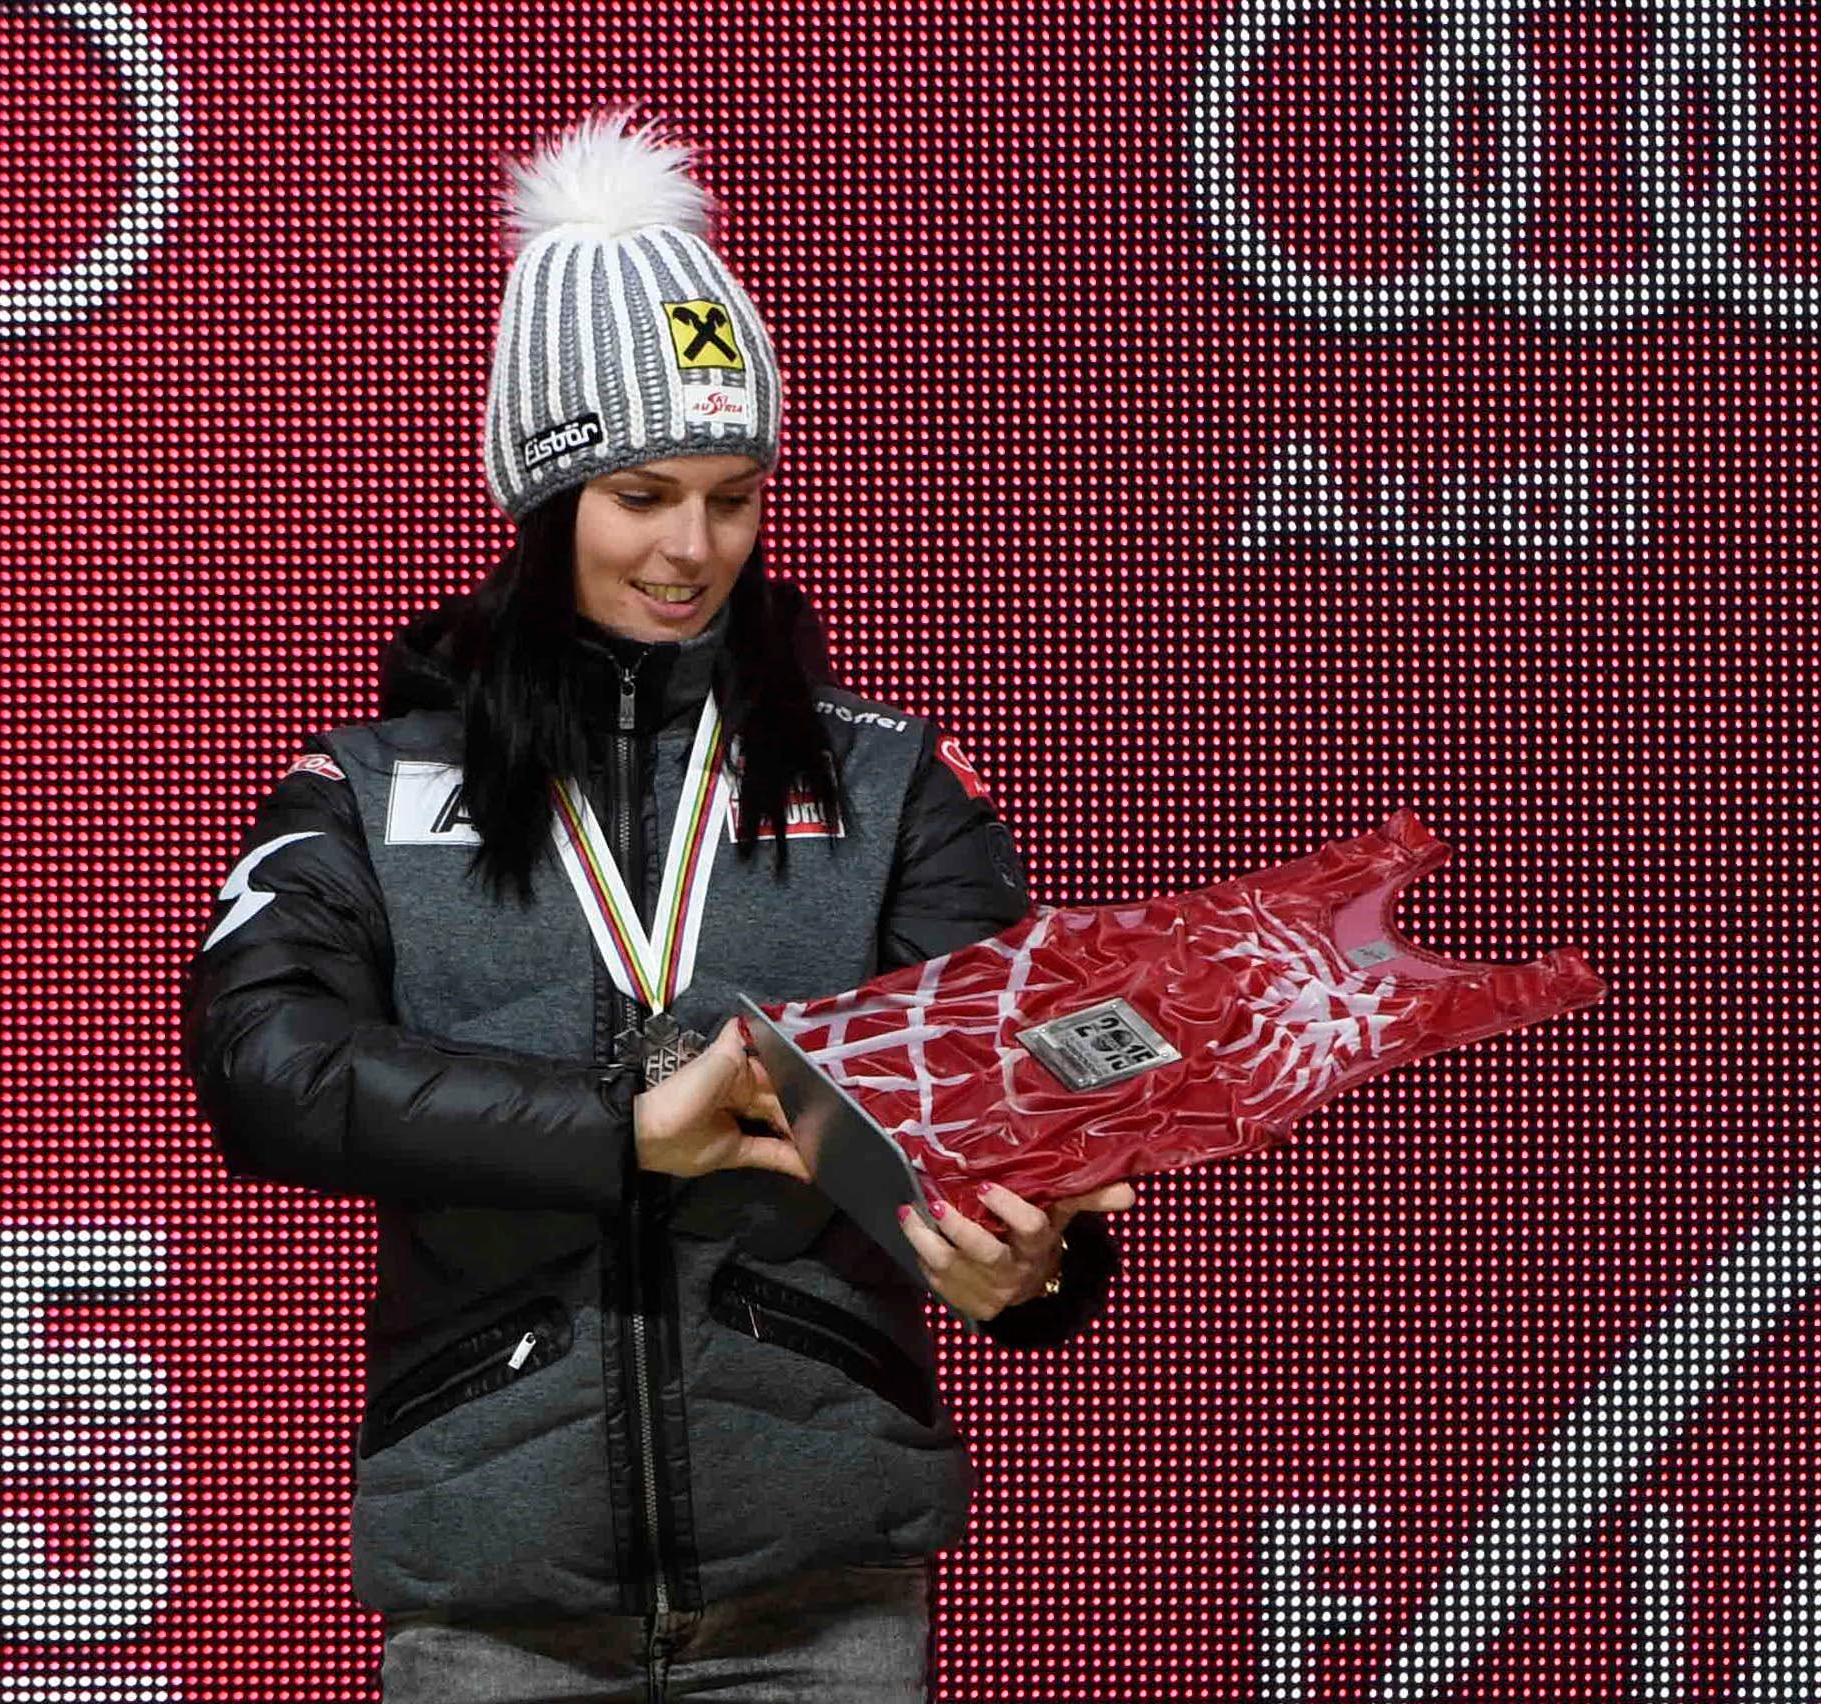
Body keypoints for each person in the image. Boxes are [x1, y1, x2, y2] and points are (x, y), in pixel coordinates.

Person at [180, 104, 1137, 1703]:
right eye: (639, 494)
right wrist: (619, 1131)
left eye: (734, 493)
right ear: (541, 497)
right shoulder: (371, 790)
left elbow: (1003, 1101)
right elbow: (263, 1068)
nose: (692, 549)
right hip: (493, 1586)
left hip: (817, 1591)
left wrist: (1039, 1273)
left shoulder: (900, 786)